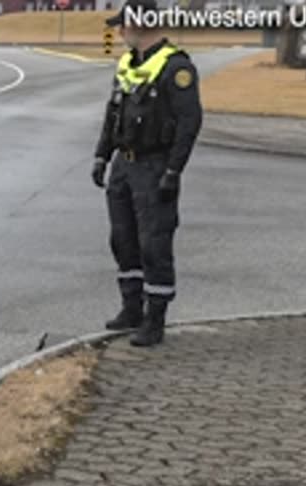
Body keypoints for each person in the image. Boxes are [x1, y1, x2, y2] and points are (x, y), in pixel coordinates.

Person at [92, 0, 202, 347]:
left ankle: (155, 319)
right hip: (124, 166)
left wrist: (173, 170)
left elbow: (189, 122)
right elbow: (114, 114)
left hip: (155, 166)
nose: (119, 31)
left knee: (153, 244)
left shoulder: (176, 68)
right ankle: (131, 308)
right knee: (122, 240)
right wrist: (101, 155)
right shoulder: (128, 64)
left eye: (123, 24)